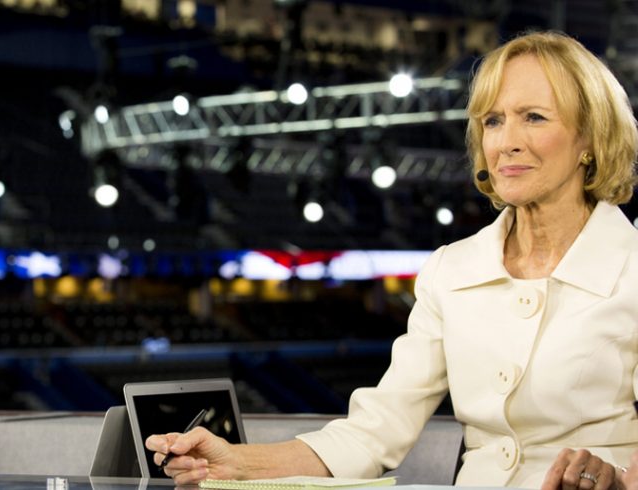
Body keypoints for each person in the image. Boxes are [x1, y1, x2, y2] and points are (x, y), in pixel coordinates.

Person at [146, 31, 638, 489]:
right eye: (492, 120)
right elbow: (375, 433)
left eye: (534, 117)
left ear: (590, 140)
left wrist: (616, 478)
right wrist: (237, 463)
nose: (505, 141)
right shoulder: (451, 269)